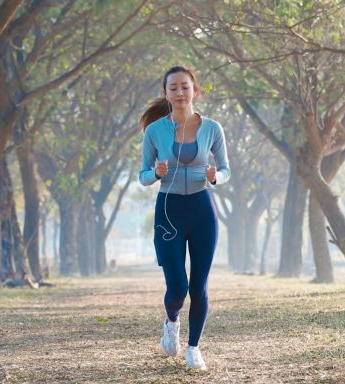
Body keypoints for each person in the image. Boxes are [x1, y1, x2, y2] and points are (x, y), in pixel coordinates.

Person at [138, 66, 230, 370]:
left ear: (195, 90)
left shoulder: (212, 128)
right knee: (177, 287)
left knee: (198, 286)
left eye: (184, 87)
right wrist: (155, 173)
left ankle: (194, 348)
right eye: (173, 88)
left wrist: (217, 176)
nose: (179, 93)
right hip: (168, 211)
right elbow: (142, 175)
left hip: (202, 210)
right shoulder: (154, 131)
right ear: (166, 93)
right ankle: (172, 321)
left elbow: (227, 170)